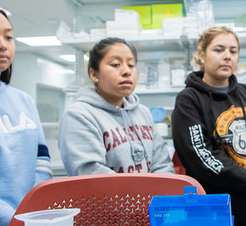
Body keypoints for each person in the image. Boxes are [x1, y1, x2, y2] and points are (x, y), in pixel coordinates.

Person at [171, 26, 246, 226]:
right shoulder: (189, 100)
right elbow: (201, 155)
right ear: (201, 55)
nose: (227, 56)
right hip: (215, 210)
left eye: (233, 51)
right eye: (219, 50)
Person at [0, 3, 52, 226]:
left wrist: (34, 212)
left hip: (28, 225)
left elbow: (41, 162)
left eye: (8, 36)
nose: (2, 44)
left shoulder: (23, 100)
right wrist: (13, 221)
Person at [58, 37, 175, 175]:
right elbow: (91, 175)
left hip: (151, 197)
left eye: (131, 65)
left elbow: (162, 165)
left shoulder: (143, 113)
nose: (126, 71)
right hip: (106, 197)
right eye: (115, 64)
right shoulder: (78, 116)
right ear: (94, 74)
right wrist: (139, 195)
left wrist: (159, 195)